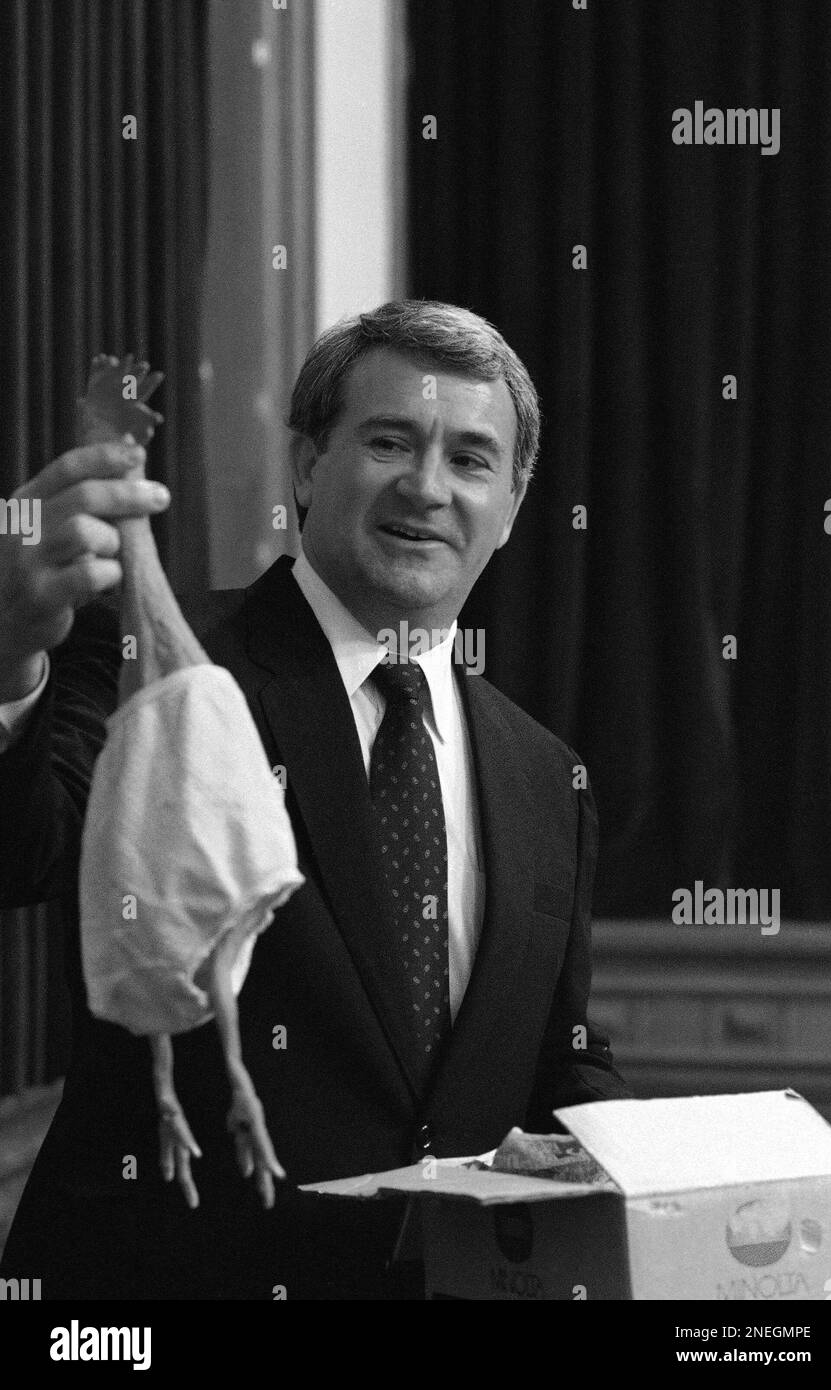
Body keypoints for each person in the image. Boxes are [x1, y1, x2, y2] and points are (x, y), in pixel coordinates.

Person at [0, 300, 629, 1300]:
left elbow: (555, 1055)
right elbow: (28, 842)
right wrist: (9, 652)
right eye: (389, 441)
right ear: (306, 467)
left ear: (510, 507)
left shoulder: (547, 773)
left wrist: (650, 1176)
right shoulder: (162, 665)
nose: (426, 487)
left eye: (471, 460)